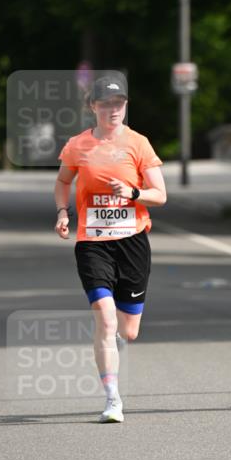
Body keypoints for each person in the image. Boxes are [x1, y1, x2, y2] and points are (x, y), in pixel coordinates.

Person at [54, 74, 167, 423]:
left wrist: (132, 193)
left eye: (118, 104)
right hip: (93, 243)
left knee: (127, 331)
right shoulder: (78, 145)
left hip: (132, 241)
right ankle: (112, 398)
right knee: (104, 318)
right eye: (105, 104)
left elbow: (160, 195)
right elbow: (62, 181)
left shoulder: (139, 143)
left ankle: (114, 342)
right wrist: (62, 211)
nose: (112, 110)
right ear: (93, 107)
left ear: (125, 106)